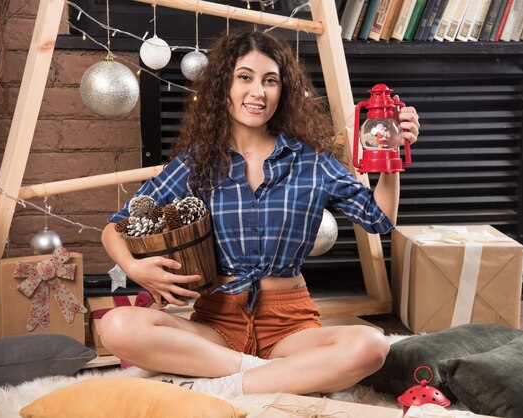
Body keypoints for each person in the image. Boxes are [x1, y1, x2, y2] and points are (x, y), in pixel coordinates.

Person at [100, 28, 420, 396]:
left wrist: (393, 156)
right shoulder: (198, 161)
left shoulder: (312, 161)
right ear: (225, 88)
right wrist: (135, 267)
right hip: (215, 324)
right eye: (245, 78)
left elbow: (379, 219)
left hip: (291, 326)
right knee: (117, 326)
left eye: (270, 80)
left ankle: (220, 384)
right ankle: (266, 376)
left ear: (282, 91)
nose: (258, 91)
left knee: (372, 345)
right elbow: (116, 226)